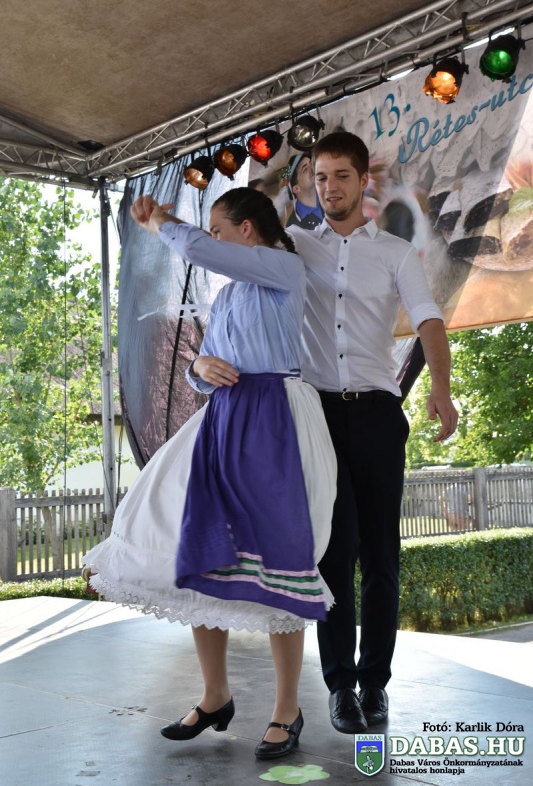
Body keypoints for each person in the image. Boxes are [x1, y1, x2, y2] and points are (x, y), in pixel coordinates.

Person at [82, 187, 336, 760]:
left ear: (246, 230)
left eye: (219, 229)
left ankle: (287, 708)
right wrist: (199, 364)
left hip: (274, 417)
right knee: (197, 543)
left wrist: (164, 224)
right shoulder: (227, 298)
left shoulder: (283, 268)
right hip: (223, 418)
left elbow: (202, 251)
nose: (213, 240)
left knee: (281, 554)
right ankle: (215, 695)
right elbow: (206, 367)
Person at [288, 131, 459, 733]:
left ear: (364, 181)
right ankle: (339, 687)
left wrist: (441, 388)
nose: (329, 187)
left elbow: (430, 320)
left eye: (341, 175)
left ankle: (375, 685)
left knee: (381, 556)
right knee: (332, 555)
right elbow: (239, 259)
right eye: (321, 177)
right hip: (317, 414)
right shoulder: (295, 247)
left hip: (379, 413)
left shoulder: (395, 252)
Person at [283, 153, 324, 229]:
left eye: (311, 163)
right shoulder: (294, 226)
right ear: (296, 188)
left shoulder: (329, 195)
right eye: (305, 169)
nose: (312, 167)